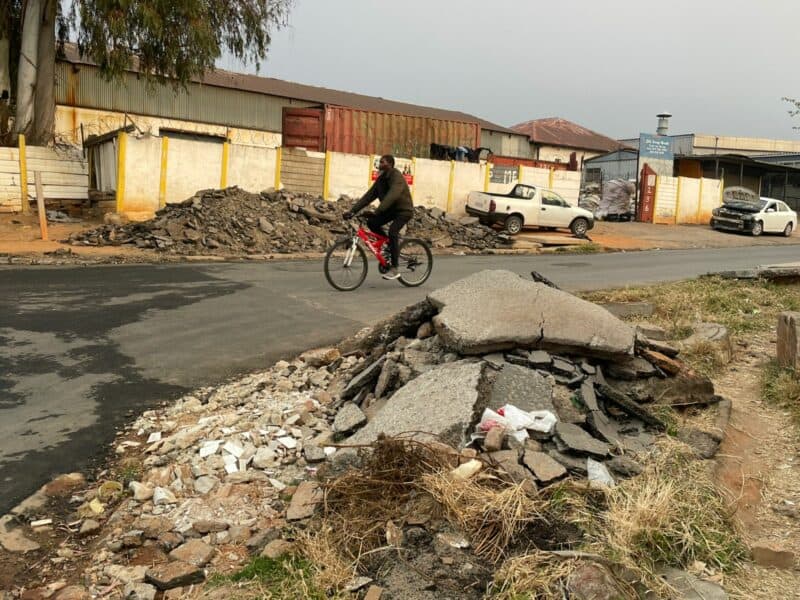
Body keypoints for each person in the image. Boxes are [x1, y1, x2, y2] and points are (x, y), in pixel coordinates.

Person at [344, 154, 413, 280]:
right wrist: (352, 211)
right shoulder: (380, 180)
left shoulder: (396, 177)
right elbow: (368, 197)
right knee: (372, 223)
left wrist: (377, 211)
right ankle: (389, 245)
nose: (379, 165)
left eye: (382, 162)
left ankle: (395, 268)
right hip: (390, 210)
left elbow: (392, 195)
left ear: (390, 164)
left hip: (403, 211)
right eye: (379, 162)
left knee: (393, 231)